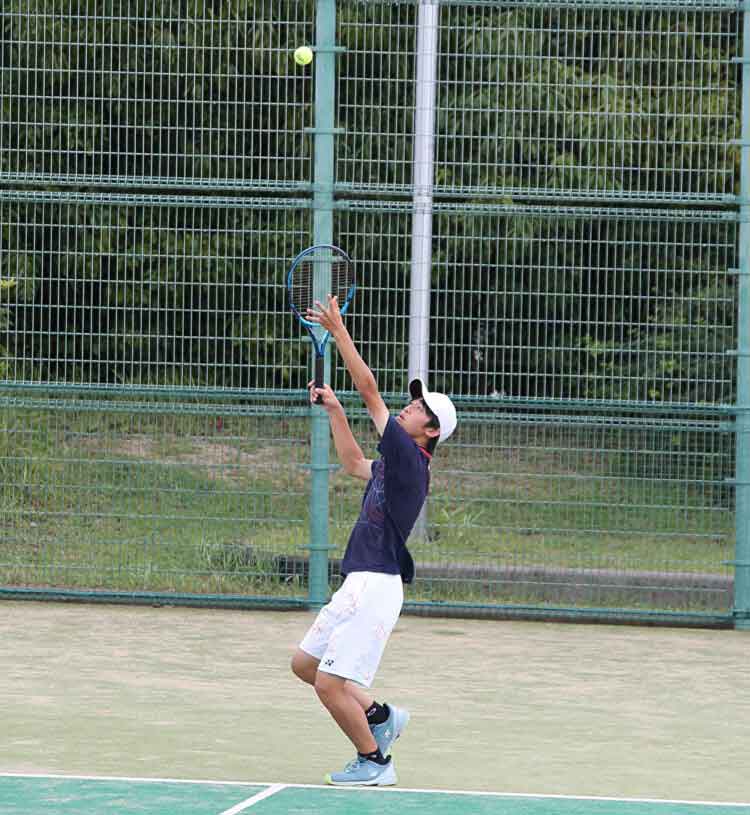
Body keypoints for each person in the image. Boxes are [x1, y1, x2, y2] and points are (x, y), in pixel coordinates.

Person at [290, 294, 457, 787]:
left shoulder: (411, 459)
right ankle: (382, 716)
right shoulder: (396, 462)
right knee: (306, 665)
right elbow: (353, 464)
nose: (410, 406)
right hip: (359, 581)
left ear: (429, 432)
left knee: (328, 684)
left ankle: (375, 761)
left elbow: (369, 389)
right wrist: (336, 412)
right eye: (414, 400)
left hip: (377, 586)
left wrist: (339, 330)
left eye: (419, 407)